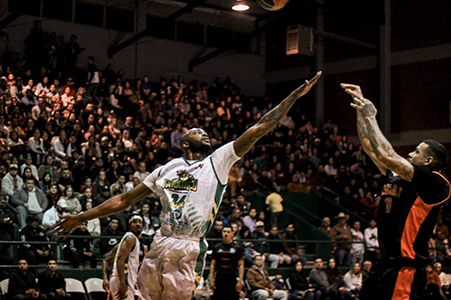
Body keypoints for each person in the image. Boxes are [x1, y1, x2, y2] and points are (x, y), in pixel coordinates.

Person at [53, 72, 321, 300]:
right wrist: (80, 217)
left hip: (189, 246)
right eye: (195, 131)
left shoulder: (218, 162)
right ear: (183, 142)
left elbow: (259, 128)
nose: (202, 132)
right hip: (161, 241)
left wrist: (292, 98)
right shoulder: (166, 169)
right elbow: (124, 200)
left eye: (204, 132)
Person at [341, 83, 451, 300]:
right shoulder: (398, 176)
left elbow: (388, 155)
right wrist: (360, 111)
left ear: (428, 161)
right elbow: (371, 148)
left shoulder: (436, 183)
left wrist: (371, 116)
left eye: (416, 151)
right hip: (383, 265)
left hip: (406, 269)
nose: (410, 153)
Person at [109, 214, 143, 300]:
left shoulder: (131, 238)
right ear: (129, 225)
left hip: (123, 279)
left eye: (140, 222)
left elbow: (113, 259)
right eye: (135, 222)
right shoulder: (130, 238)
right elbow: (120, 260)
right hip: (124, 279)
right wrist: (122, 283)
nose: (138, 224)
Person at [209, 225, 244, 300]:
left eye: (228, 232)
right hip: (219, 277)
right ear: (222, 233)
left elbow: (241, 265)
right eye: (224, 231)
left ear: (232, 233)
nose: (226, 234)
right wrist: (211, 279)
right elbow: (212, 265)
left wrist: (240, 281)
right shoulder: (216, 247)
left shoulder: (237, 248)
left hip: (232, 277)